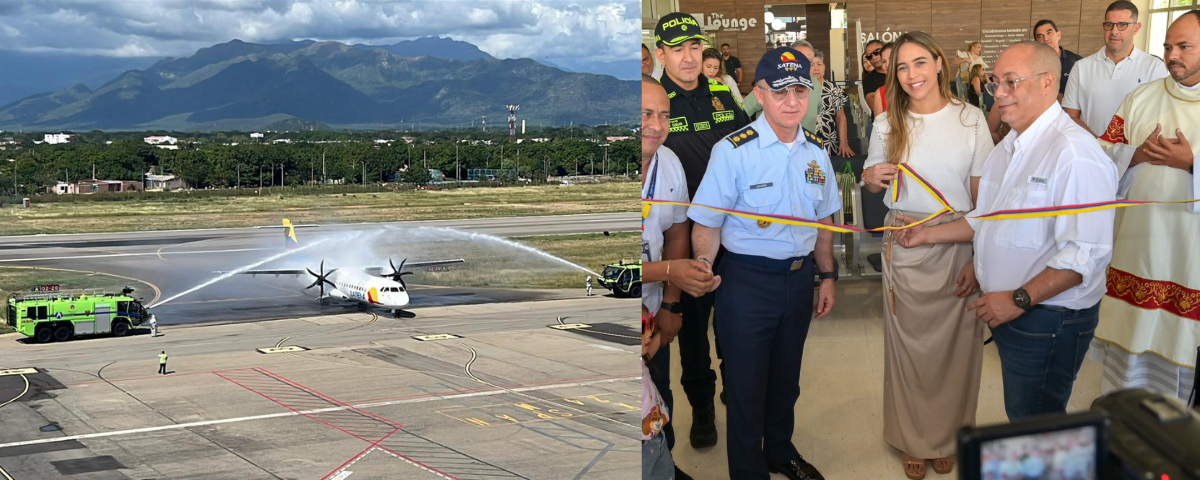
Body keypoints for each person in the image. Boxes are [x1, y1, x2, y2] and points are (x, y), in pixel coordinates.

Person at [895, 42, 1117, 421]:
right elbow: (988, 217)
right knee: (1022, 415)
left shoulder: (1073, 154)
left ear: (1048, 83)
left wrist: (1016, 299)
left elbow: (1085, 254)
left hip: (1047, 316)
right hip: (1015, 307)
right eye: (996, 81)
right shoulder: (1009, 148)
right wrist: (974, 259)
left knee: (1038, 423)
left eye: (1011, 82)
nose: (998, 93)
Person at [689, 46, 840, 480]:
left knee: (785, 380)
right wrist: (703, 265)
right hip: (746, 282)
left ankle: (778, 450)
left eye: (800, 90)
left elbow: (825, 221)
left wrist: (826, 275)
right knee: (745, 388)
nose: (792, 101)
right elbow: (708, 223)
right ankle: (748, 471)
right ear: (759, 93)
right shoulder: (733, 151)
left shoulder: (816, 154)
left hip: (798, 281)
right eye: (780, 92)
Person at [862, 31, 993, 480]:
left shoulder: (972, 119)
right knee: (909, 348)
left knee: (958, 348)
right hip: (906, 241)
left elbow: (983, 200)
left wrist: (980, 256)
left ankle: (949, 433)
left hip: (957, 240)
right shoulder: (886, 122)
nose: (911, 74)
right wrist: (872, 175)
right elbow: (871, 177)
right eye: (901, 66)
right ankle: (913, 438)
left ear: (939, 63)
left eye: (920, 63)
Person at [653, 11, 751, 450]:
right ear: (661, 55)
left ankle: (739, 395)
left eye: (695, 47)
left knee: (736, 325)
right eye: (678, 50)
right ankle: (703, 409)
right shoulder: (658, 100)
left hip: (732, 234)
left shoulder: (720, 92)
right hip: (684, 237)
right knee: (691, 334)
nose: (689, 57)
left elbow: (742, 148)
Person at [1091, 11, 1200, 401]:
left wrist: (1191, 164)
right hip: (1138, 250)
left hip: (1190, 263)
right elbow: (1100, 157)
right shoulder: (1141, 97)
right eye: (1169, 46)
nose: (1172, 55)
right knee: (1126, 384)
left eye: (1184, 47)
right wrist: (1133, 156)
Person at [641, 73, 722, 480]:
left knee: (660, 399)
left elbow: (676, 234)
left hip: (651, 316)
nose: (656, 125)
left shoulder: (668, 162)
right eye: (645, 114)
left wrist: (671, 303)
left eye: (664, 115)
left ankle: (664, 467)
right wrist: (670, 271)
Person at [1063, 1, 1170, 135]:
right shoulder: (1081, 67)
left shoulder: (1153, 67)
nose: (1114, 31)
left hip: (1134, 153)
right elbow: (1070, 116)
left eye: (1122, 25)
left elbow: (1157, 119)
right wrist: (1098, 145)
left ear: (1136, 28)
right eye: (1109, 25)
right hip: (1091, 151)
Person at [811, 50, 855, 158]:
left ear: (824, 67)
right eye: (812, 65)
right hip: (808, 140)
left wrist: (843, 141)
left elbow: (840, 117)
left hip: (829, 141)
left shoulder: (833, 89)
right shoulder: (802, 89)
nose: (816, 68)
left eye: (819, 64)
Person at [1034, 19, 1084, 101]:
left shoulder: (1077, 61)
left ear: (1058, 35)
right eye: (1040, 36)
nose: (1046, 38)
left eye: (1049, 33)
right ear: (1037, 42)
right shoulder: (1033, 65)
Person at [869, 42, 896, 116]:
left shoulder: (915, 88)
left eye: (891, 59)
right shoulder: (880, 93)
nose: (887, 65)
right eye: (884, 61)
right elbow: (879, 126)